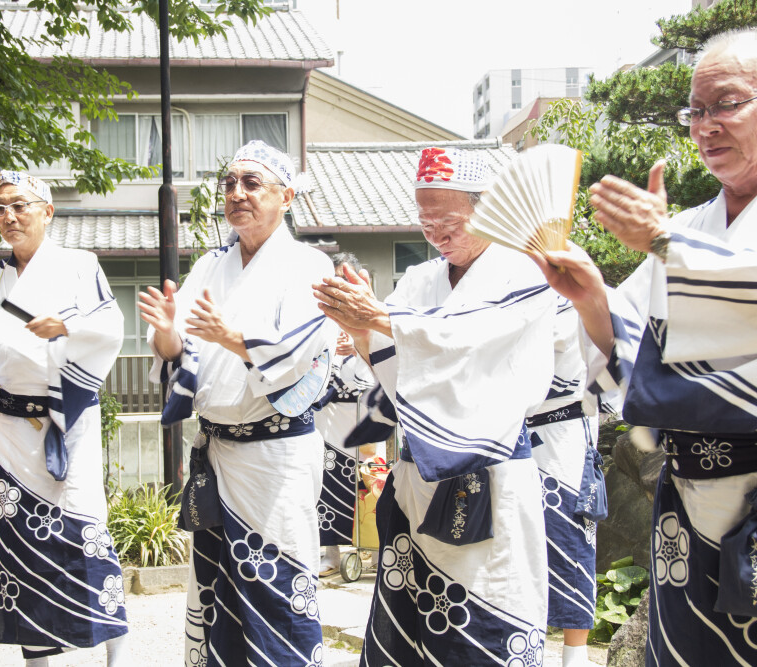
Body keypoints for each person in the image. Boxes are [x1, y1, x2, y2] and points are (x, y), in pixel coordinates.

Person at [531, 30, 757, 666]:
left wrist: (663, 244)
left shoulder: (676, 240)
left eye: (727, 104)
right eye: (696, 110)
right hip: (684, 498)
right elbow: (629, 353)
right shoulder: (687, 231)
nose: (706, 126)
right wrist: (592, 299)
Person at [314, 146, 557, 665]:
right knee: (407, 629)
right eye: (425, 221)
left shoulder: (524, 273)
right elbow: (397, 371)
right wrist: (361, 329)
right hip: (416, 477)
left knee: (487, 619)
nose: (435, 233)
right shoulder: (419, 281)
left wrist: (381, 320)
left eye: (448, 220)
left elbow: (467, 340)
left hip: (489, 478)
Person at [138, 140, 337, 666]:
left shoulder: (309, 264)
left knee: (276, 586)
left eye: (252, 183)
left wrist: (232, 337)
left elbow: (298, 353)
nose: (237, 194)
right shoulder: (208, 265)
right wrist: (164, 333)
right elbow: (175, 350)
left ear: (286, 196)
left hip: (276, 457)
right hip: (219, 450)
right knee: (214, 588)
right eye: (230, 184)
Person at [0, 171, 128, 666]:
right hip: (11, 431)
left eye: (19, 205)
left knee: (86, 535)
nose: (9, 217)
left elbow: (110, 326)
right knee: (21, 545)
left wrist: (68, 326)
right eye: (0, 208)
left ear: (48, 210)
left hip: (69, 426)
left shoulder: (79, 266)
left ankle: (115, 654)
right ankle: (38, 659)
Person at [526, 296, 602, 667]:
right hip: (518, 433)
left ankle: (576, 652)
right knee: (520, 540)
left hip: (564, 433)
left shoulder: (573, 300)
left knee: (570, 535)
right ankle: (528, 638)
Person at [314, 252, 381, 577]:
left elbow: (383, 363)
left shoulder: (374, 313)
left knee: (371, 483)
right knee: (329, 483)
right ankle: (332, 553)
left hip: (365, 415)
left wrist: (355, 345)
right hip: (329, 417)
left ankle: (377, 550)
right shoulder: (318, 318)